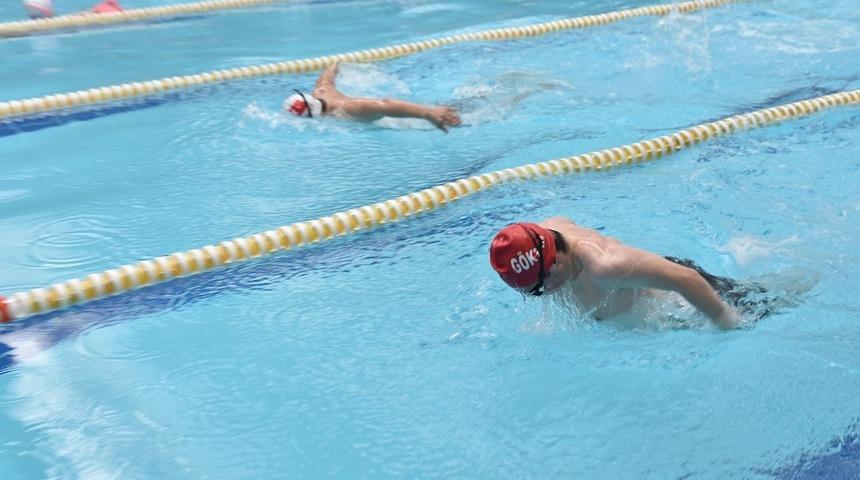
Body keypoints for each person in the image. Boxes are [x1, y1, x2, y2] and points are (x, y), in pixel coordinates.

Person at [488, 218, 775, 329]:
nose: (543, 294)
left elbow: (686, 279)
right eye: (532, 293)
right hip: (639, 284)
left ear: (556, 258)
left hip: (681, 303)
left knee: (773, 304)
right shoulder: (541, 236)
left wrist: (724, 320)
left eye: (541, 286)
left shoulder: (605, 266)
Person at [284, 61, 462, 132]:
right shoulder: (321, 91)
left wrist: (427, 113)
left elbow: (385, 104)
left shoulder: (349, 110)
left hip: (416, 117)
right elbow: (330, 70)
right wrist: (339, 65)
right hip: (416, 108)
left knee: (462, 111)